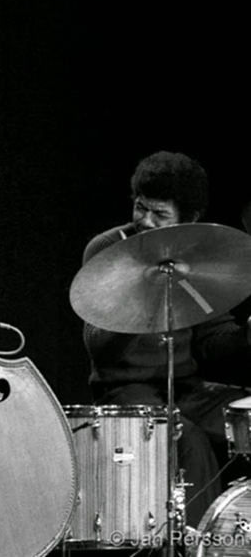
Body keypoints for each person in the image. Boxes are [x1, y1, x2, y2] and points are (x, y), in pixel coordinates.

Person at [81, 150, 251, 530]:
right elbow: (98, 345)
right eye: (141, 208)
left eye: (160, 214)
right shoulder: (108, 249)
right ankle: (197, 546)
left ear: (189, 220)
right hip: (126, 389)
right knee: (188, 442)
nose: (145, 221)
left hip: (187, 388)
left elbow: (211, 341)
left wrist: (246, 336)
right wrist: (142, 298)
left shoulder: (195, 256)